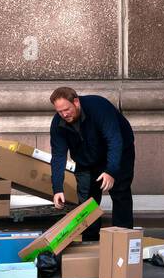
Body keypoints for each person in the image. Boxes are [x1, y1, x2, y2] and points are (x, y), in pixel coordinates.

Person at [48, 87, 135, 241]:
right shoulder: (57, 123)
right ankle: (90, 242)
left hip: (118, 151)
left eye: (67, 109)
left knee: (121, 194)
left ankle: (123, 241)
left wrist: (111, 171)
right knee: (87, 201)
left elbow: (114, 140)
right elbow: (58, 156)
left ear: (76, 102)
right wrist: (57, 189)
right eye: (60, 111)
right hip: (85, 158)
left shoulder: (99, 107)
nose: (64, 114)